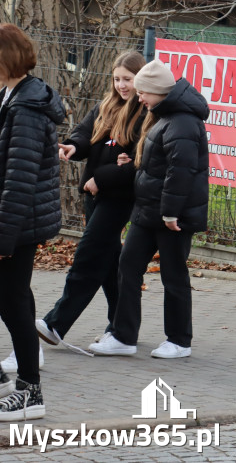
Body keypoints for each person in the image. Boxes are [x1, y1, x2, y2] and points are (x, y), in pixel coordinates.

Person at [89, 59, 209, 359]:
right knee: (127, 266)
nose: (139, 97)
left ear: (158, 91)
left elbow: (180, 172)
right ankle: (123, 336)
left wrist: (170, 213)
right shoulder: (162, 115)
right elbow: (159, 163)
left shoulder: (182, 121)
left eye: (144, 92)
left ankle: (179, 341)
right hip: (147, 211)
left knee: (174, 275)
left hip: (170, 217)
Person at [37, 51, 147, 354]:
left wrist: (104, 177)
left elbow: (139, 162)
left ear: (140, 79)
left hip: (119, 198)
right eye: (117, 79)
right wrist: (73, 146)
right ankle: (122, 329)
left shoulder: (144, 112)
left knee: (88, 255)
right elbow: (85, 135)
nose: (122, 85)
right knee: (111, 264)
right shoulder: (105, 106)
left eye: (128, 79)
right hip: (95, 196)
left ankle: (56, 323)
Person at [0, 24, 65, 422]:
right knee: (13, 302)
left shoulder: (25, 108)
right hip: (12, 222)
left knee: (14, 305)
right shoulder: (11, 97)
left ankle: (29, 392)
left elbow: (19, 179)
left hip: (15, 224)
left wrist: (4, 237)